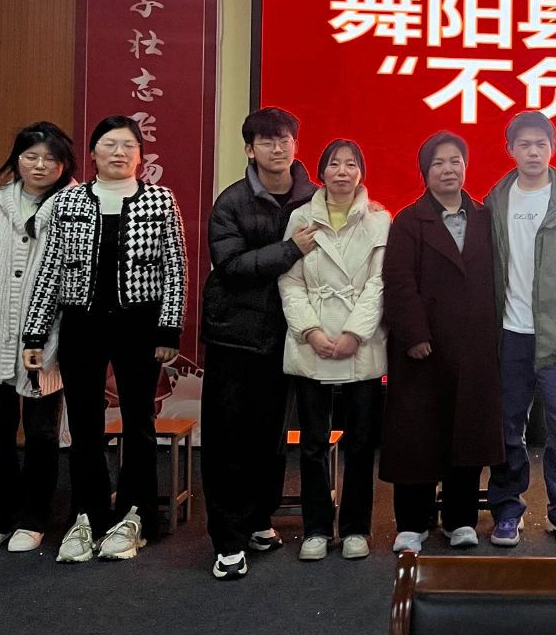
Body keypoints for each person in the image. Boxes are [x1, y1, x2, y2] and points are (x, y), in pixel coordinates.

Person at [22, 115, 187, 562]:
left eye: (129, 145)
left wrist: (169, 328)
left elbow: (175, 269)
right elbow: (50, 270)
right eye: (110, 144)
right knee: (84, 425)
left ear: (141, 155)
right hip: (82, 324)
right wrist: (34, 333)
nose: (120, 152)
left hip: (140, 325)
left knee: (139, 423)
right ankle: (86, 516)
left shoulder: (160, 200)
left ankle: (135, 516)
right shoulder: (68, 201)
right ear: (93, 153)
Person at [200, 106, 318, 580]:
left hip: (287, 335)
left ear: (295, 144)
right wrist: (290, 250)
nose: (277, 147)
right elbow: (231, 267)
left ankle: (256, 519)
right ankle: (227, 539)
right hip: (236, 335)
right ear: (250, 150)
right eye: (266, 141)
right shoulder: (231, 202)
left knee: (271, 437)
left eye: (284, 139)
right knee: (229, 438)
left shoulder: (313, 197)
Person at [382, 131, 504, 553]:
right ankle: (412, 522)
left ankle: (460, 519)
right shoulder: (409, 220)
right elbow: (398, 282)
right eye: (438, 163)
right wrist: (414, 334)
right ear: (425, 172)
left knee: (466, 434)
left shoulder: (485, 217)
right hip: (423, 349)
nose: (448, 169)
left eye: (455, 161)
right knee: (417, 436)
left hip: (473, 346)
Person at [485, 111, 556, 548]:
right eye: (524, 144)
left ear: (552, 148)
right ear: (510, 149)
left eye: (541, 144)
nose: (533, 152)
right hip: (509, 333)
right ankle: (507, 511)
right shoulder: (495, 201)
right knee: (506, 428)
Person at [278, 139, 389, 561]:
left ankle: (357, 528)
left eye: (351, 165)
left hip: (360, 343)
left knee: (361, 443)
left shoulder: (379, 220)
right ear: (321, 172)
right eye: (334, 164)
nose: (342, 172)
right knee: (312, 442)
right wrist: (310, 331)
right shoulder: (301, 218)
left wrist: (353, 334)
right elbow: (290, 281)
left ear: (361, 172)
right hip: (312, 341)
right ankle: (317, 528)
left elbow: (379, 284)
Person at [0, 122, 75, 554]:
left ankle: (33, 517)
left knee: (41, 434)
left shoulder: (73, 209)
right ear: (17, 160)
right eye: (31, 156)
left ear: (64, 164)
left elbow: (73, 283)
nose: (40, 165)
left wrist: (55, 344)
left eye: (50, 158)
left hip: (47, 344)